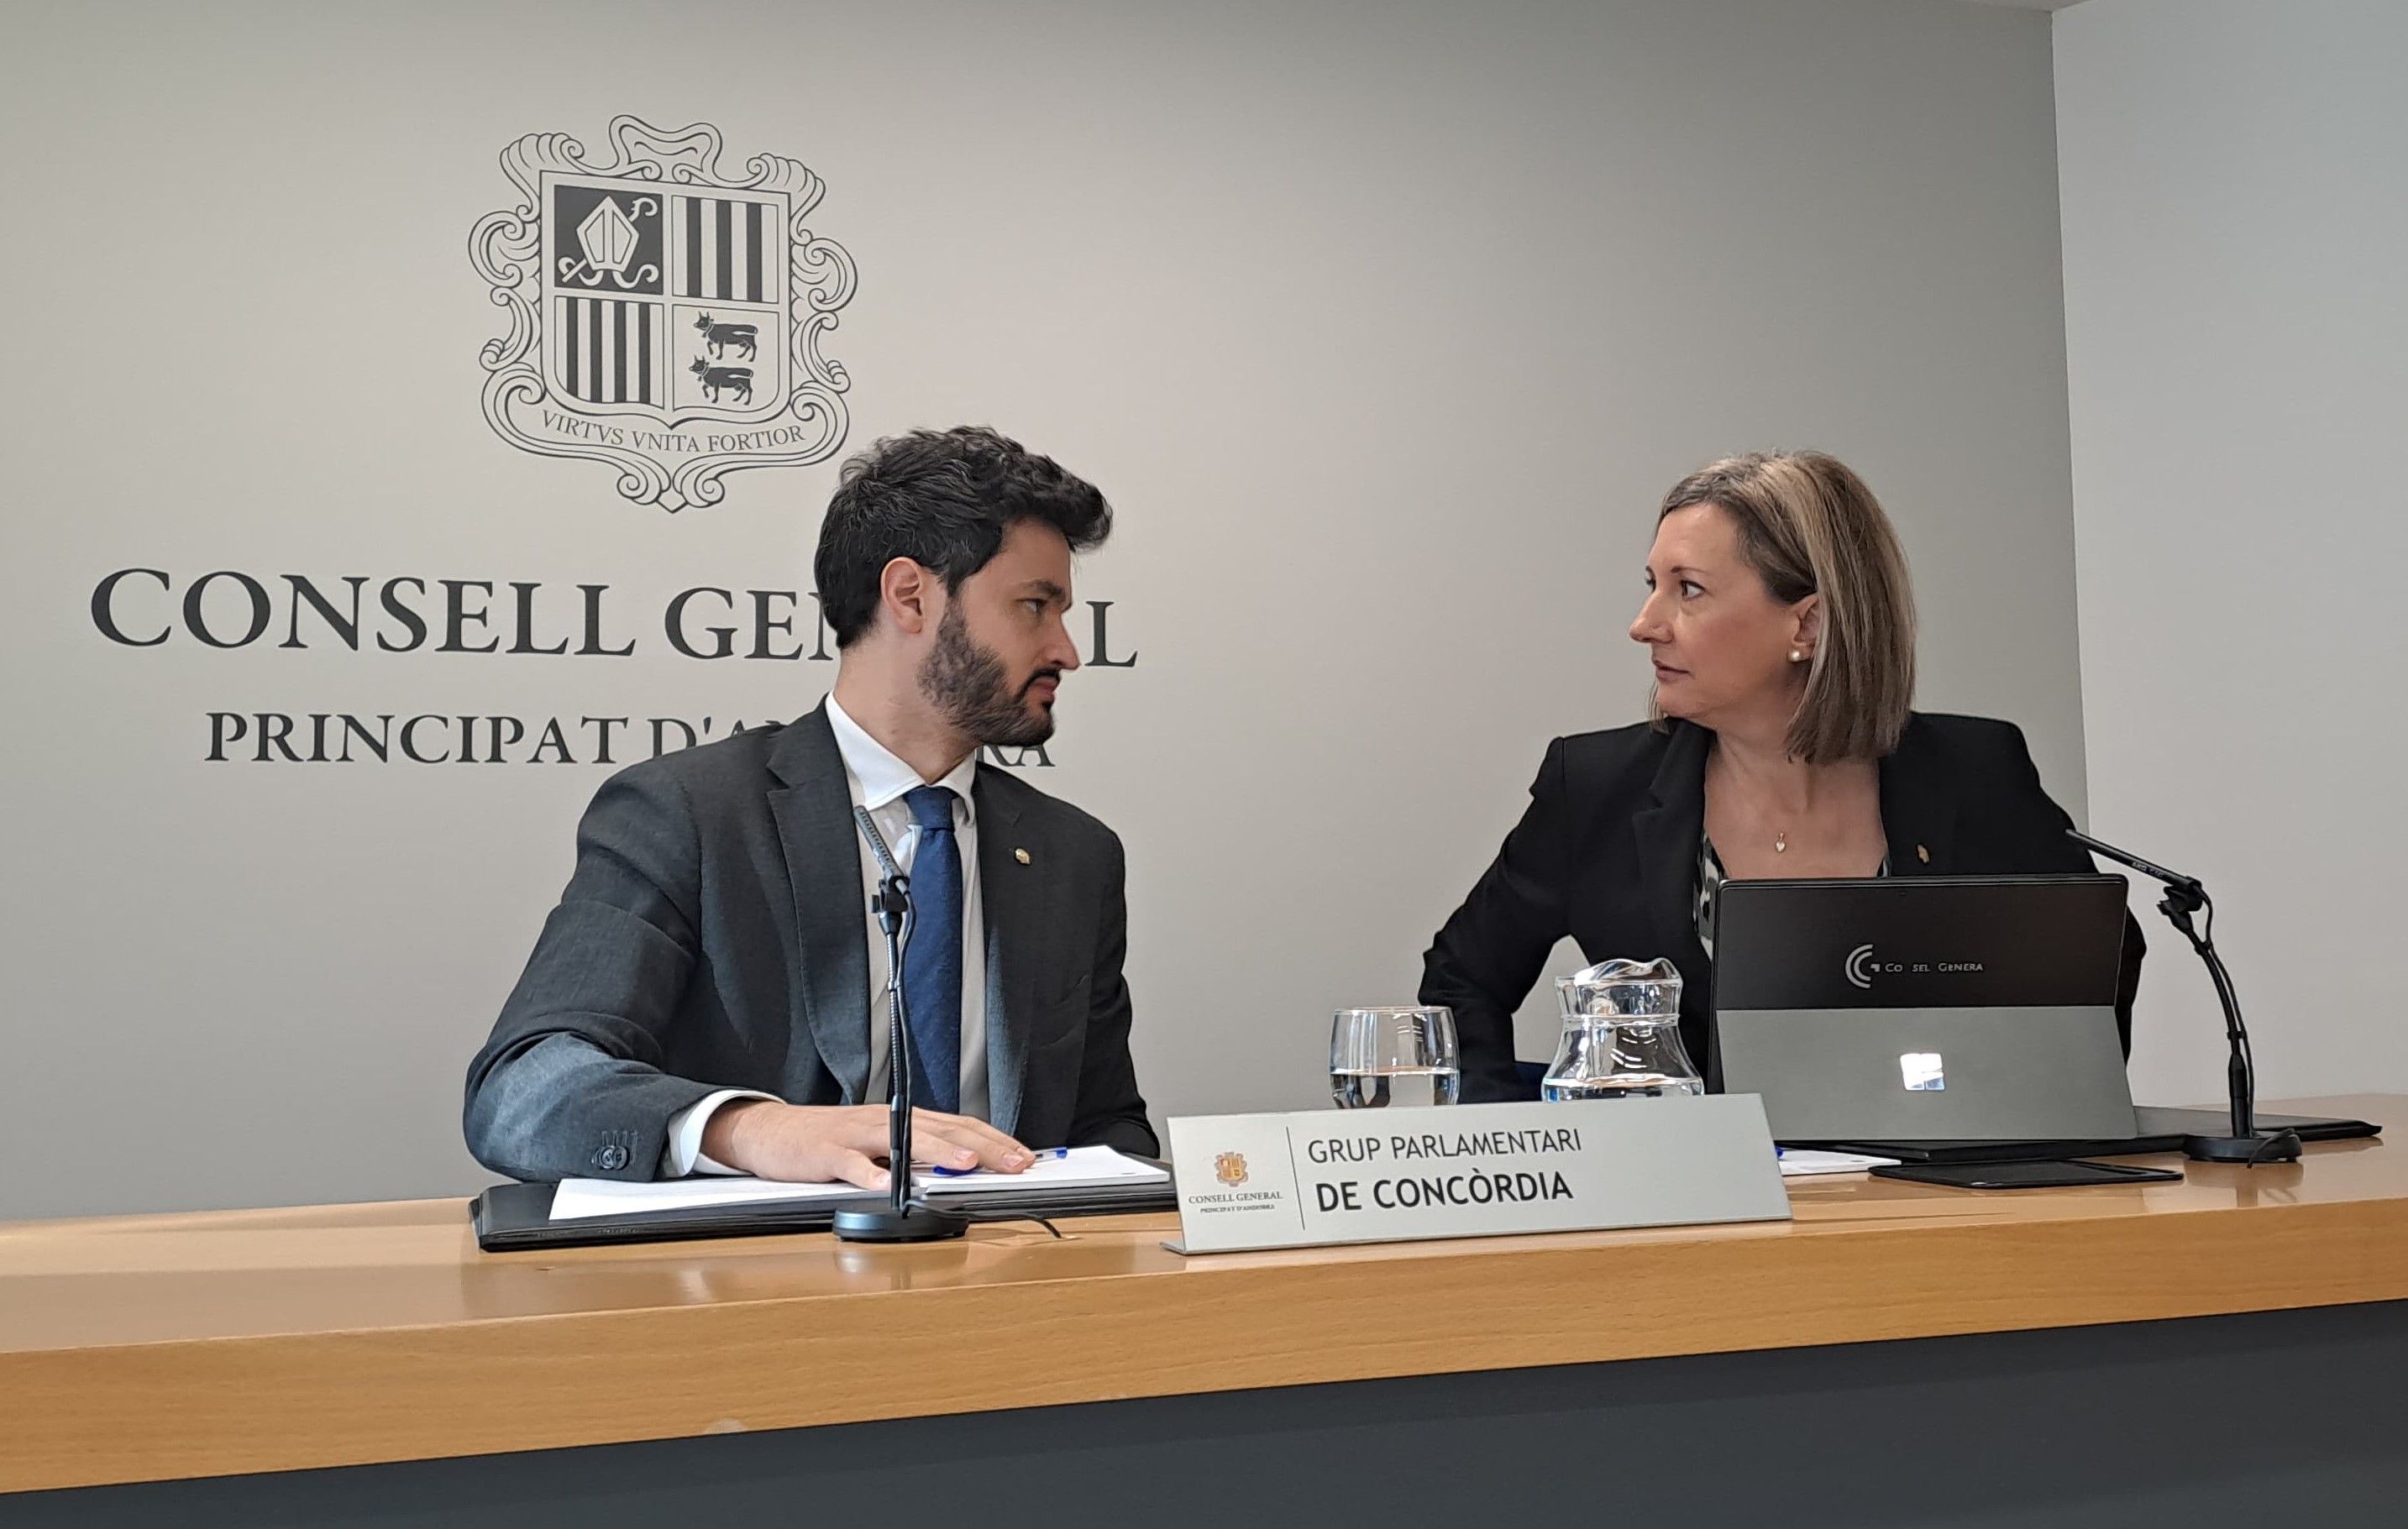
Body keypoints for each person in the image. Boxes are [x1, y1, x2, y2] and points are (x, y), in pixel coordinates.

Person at [464, 426, 1155, 1186]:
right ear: (910, 596)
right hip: (758, 1262)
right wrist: (752, 1128)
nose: (1066, 650)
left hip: (1011, 1259)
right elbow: (523, 1089)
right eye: (1034, 606)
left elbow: (1106, 1125)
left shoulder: (1075, 854)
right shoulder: (688, 815)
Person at [1420, 451, 2143, 1103]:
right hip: (1693, 1190)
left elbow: (2095, 965)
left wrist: (2016, 1116)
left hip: (1925, 1187)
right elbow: (1460, 980)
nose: (1644, 624)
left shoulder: (1972, 771)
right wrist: (1525, 1148)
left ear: (1807, 625)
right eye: (1652, 585)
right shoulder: (1592, 787)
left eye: (1688, 590)